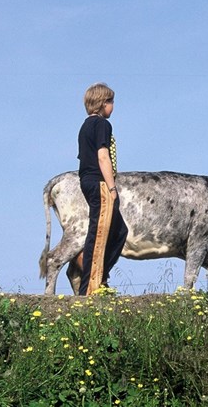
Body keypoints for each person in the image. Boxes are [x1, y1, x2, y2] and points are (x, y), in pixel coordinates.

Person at [77, 82, 128, 295]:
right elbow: (102, 156)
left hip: (87, 181)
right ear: (102, 103)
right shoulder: (102, 125)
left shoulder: (84, 127)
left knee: (119, 231)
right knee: (99, 234)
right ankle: (90, 289)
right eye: (111, 101)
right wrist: (112, 188)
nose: (113, 106)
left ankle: (100, 275)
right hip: (99, 183)